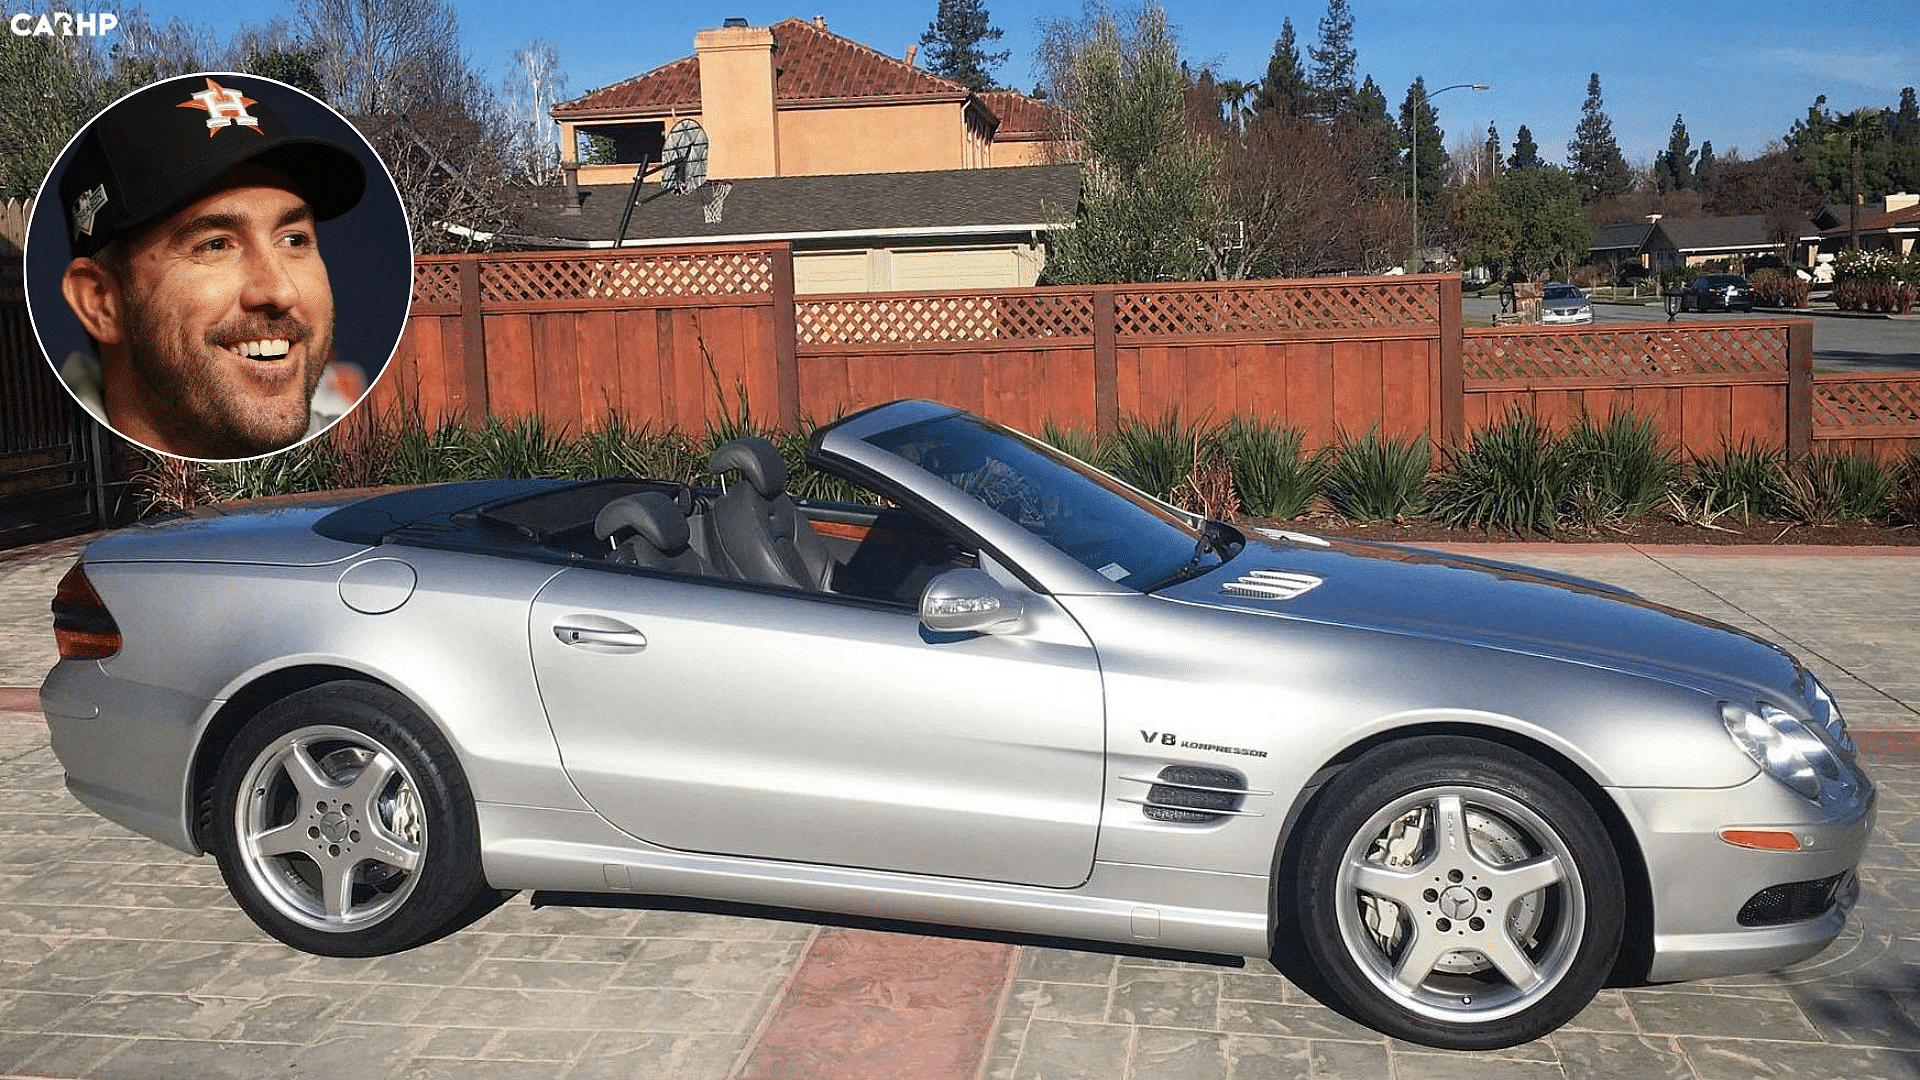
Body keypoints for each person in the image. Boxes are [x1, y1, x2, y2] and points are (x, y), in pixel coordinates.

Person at [54, 74, 367, 460]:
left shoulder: (361, 462)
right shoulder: (53, 489)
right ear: (101, 302)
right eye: (215, 245)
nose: (282, 291)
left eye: (293, 240)